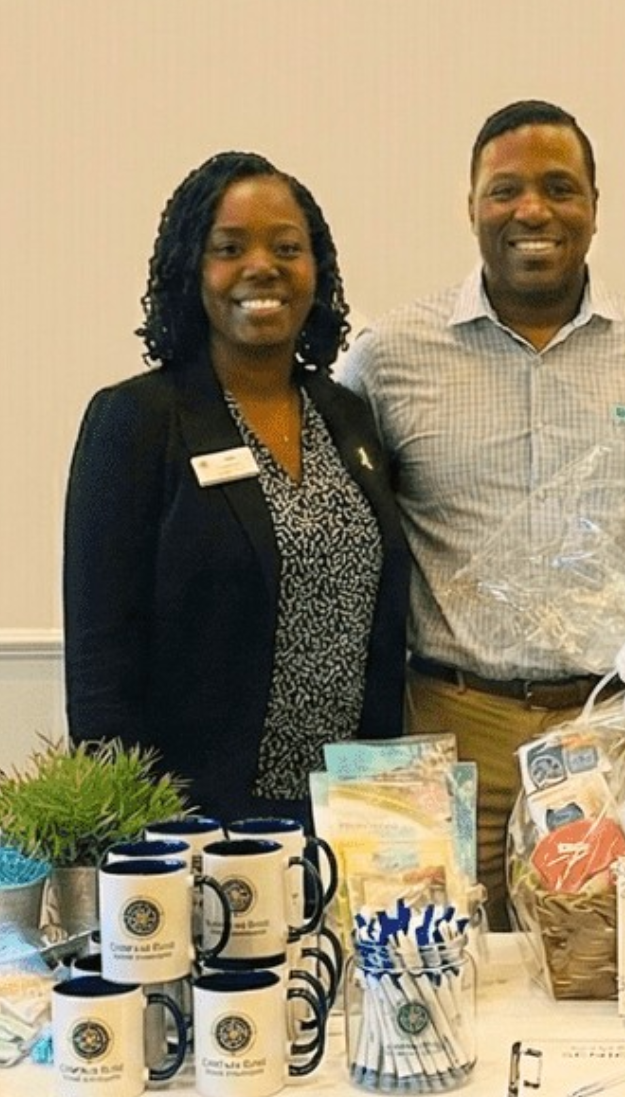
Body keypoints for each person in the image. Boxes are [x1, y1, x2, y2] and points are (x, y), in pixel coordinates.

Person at [341, 99, 625, 922]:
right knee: (436, 976)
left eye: (559, 187)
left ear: (594, 205)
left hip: (618, 731)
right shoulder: (388, 359)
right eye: (505, 190)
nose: (533, 212)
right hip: (444, 734)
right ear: (471, 205)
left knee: (611, 974)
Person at [64, 151, 412, 825]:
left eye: (287, 247)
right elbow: (100, 666)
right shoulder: (136, 423)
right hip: (195, 823)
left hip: (351, 819)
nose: (262, 267)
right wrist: (135, 839)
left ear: (318, 270)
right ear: (191, 269)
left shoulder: (348, 418)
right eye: (230, 248)